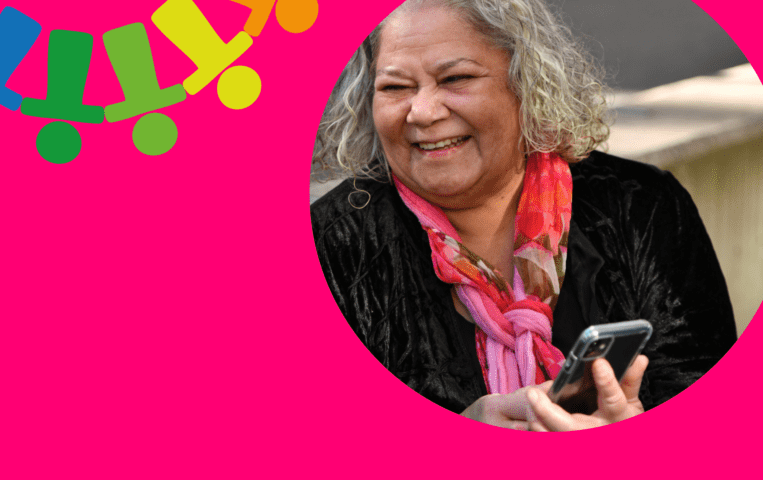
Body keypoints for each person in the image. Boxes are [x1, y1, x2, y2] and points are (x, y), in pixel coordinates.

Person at [311, 0, 737, 431]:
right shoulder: (330, 246)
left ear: (526, 82)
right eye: (395, 87)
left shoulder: (642, 207)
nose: (422, 112)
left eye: (455, 78)